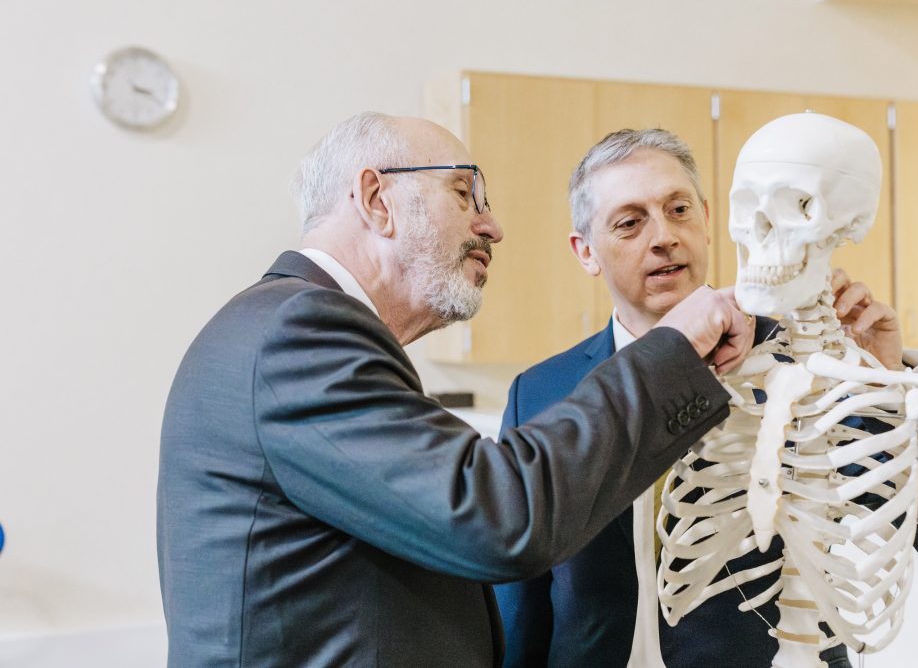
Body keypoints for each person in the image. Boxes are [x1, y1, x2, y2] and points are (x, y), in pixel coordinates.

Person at [156, 113, 759, 667]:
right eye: (463, 192)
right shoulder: (302, 333)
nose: (492, 226)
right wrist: (675, 351)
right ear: (377, 201)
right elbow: (501, 516)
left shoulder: (299, 330)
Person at [494, 128, 918, 668]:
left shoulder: (809, 360)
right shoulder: (542, 392)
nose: (664, 236)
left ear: (710, 220)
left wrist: (886, 379)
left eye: (678, 210)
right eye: (630, 222)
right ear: (586, 252)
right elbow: (521, 593)